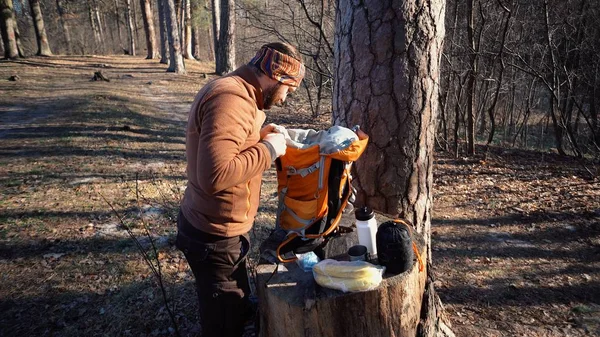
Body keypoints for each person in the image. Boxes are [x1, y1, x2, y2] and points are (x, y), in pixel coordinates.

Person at [176, 42, 305, 337]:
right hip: (213, 237)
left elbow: (225, 148)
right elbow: (214, 175)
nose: (285, 99)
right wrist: (267, 150)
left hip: (218, 233)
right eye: (288, 90)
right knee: (225, 324)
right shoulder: (232, 98)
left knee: (231, 309)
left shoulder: (242, 93)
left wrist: (258, 137)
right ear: (277, 77)